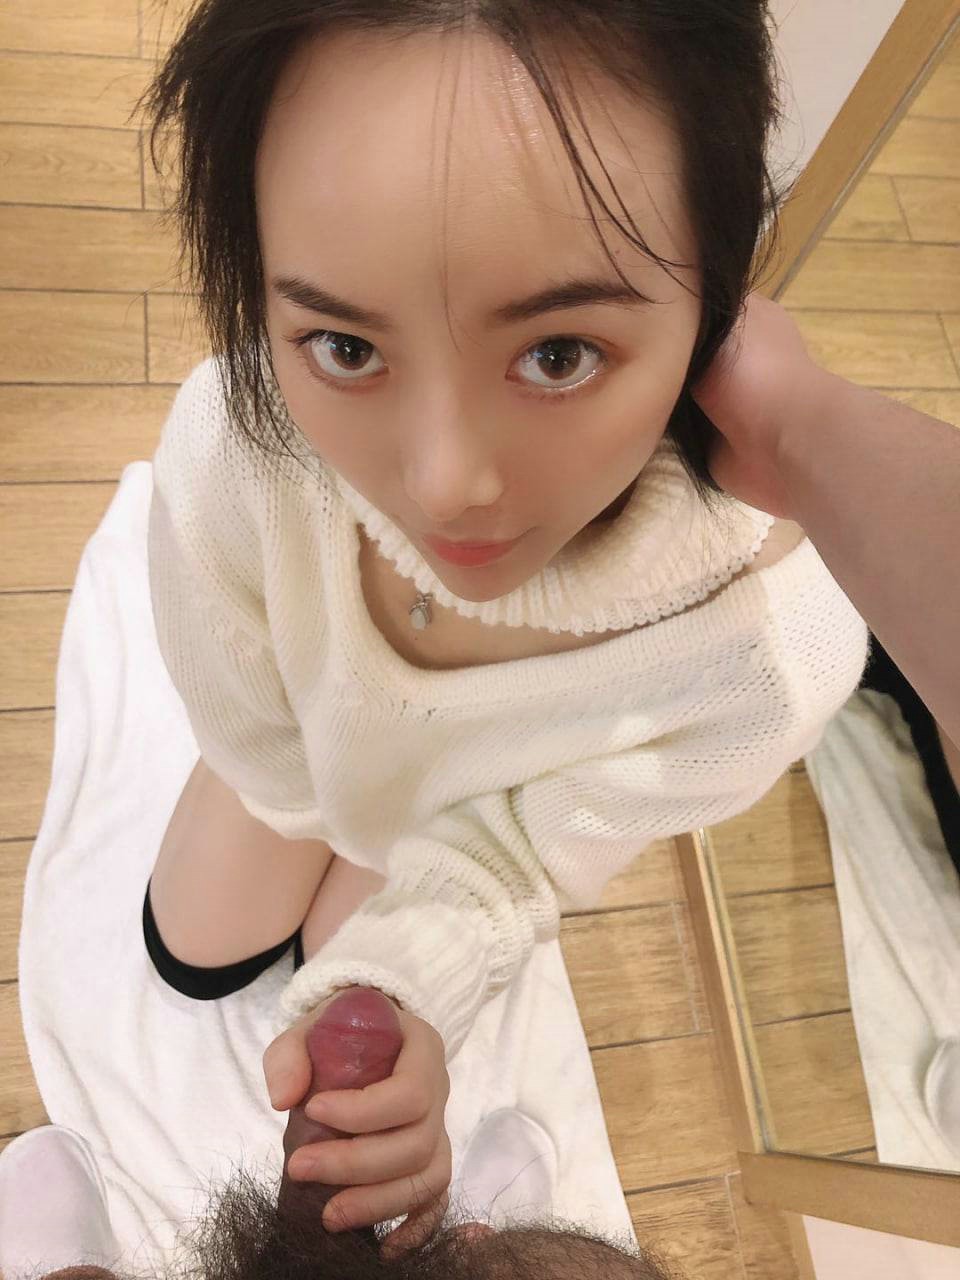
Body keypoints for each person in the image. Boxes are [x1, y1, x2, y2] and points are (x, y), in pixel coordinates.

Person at [7, 0, 921, 1273]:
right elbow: (247, 713)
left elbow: (521, 856)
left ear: (719, 303)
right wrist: (312, 798)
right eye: (344, 343)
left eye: (559, 352)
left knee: (340, 974)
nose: (445, 486)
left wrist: (813, 430)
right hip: (295, 768)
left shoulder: (763, 652)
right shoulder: (235, 449)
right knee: (194, 957)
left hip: (456, 828)